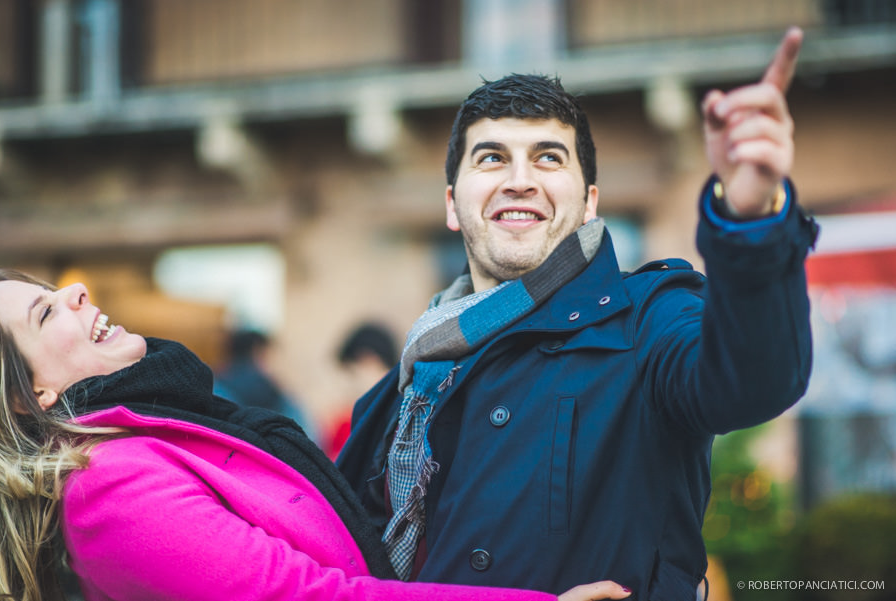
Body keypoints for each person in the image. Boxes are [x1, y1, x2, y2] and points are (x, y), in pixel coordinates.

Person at [337, 27, 819, 598]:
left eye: (548, 158)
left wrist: (751, 223)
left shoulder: (648, 319)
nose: (520, 182)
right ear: (452, 203)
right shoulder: (402, 386)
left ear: (589, 200)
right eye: (492, 158)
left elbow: (754, 380)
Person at [0, 270, 631, 601]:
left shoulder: (170, 424)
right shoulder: (105, 486)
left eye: (52, 291)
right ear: (34, 396)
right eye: (46, 311)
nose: (76, 291)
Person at [324, 322, 400, 459]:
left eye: (352, 372)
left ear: (369, 362)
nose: (349, 384)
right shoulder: (343, 422)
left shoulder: (351, 423)